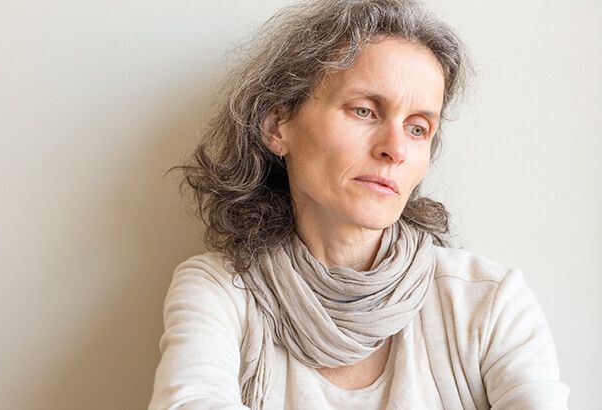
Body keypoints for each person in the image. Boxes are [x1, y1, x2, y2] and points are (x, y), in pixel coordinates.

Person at [149, 0, 570, 408]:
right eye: (365, 111)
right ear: (278, 126)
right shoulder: (220, 292)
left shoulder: (490, 302)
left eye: (418, 128)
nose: (395, 149)